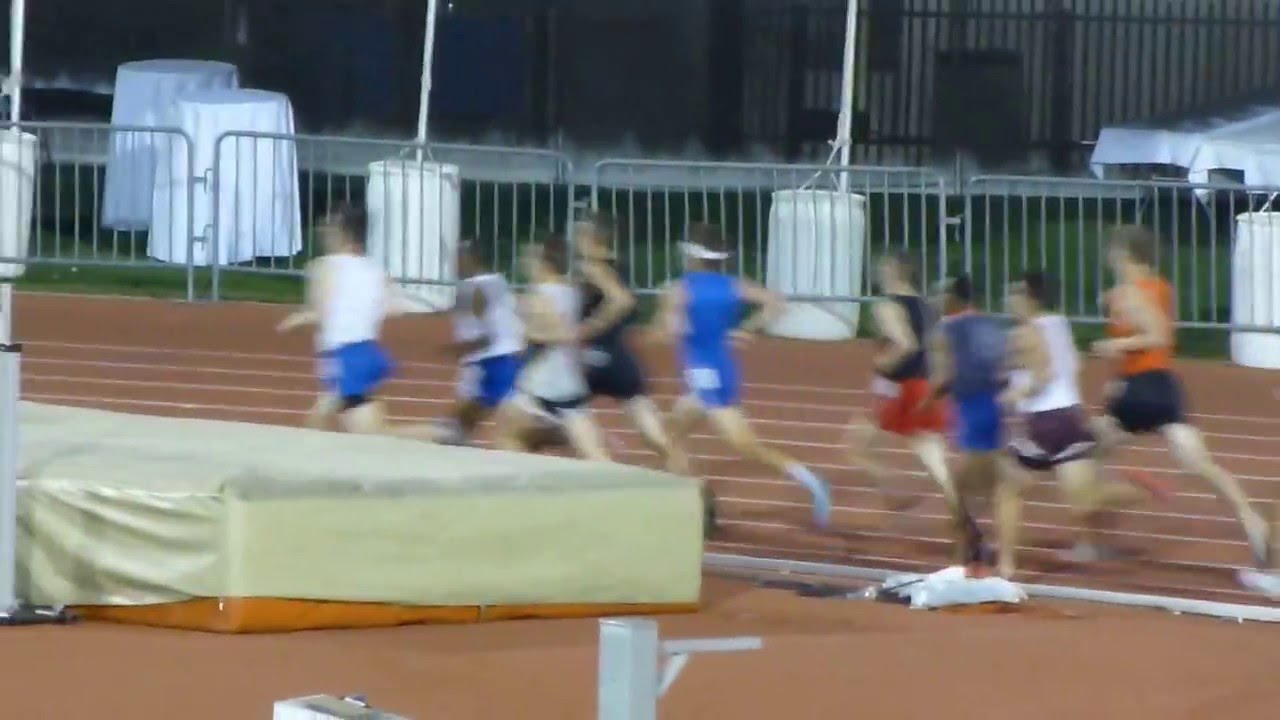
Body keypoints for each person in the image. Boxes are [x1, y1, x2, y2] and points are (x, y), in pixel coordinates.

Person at [1090, 225, 1277, 594]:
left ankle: (1096, 538)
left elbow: (1158, 335)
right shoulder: (1158, 287)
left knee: (1086, 456)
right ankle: (1251, 519)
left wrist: (1116, 346)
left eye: (1113, 252)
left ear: (1126, 255)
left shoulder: (1129, 293)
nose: (1109, 258)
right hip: (1161, 387)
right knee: (1197, 463)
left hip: (1141, 389)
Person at [654, 223, 833, 529]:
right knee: (671, 434)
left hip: (703, 375)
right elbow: (776, 302)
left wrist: (668, 324)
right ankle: (694, 505)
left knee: (741, 443)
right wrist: (747, 328)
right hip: (722, 369)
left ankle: (808, 481)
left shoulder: (679, 290)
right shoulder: (733, 286)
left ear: (691, 255)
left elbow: (665, 332)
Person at [1002, 271, 1169, 571]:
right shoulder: (1059, 323)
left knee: (1009, 492)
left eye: (1014, 293)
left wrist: (1015, 393)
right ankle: (1139, 490)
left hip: (1043, 422)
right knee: (1083, 502)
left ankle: (1005, 566)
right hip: (1069, 418)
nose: (1008, 299)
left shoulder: (1025, 332)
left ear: (1029, 298)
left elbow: (1042, 373)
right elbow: (1071, 362)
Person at [276, 202, 431, 434]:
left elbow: (321, 312)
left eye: (328, 227)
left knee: (317, 422)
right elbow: (394, 306)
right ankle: (441, 435)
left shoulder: (324, 266)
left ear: (342, 232)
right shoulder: (374, 268)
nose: (322, 232)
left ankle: (304, 466)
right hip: (367, 352)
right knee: (376, 435)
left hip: (345, 354)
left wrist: (295, 320)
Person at [575, 213, 690, 475]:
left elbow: (623, 301)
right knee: (651, 428)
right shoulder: (619, 264)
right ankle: (684, 477)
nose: (576, 242)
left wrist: (587, 329)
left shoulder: (592, 268)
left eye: (581, 236)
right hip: (621, 357)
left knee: (554, 408)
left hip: (594, 357)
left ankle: (602, 464)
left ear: (592, 238)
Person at [844, 252, 952, 514]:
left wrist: (881, 366)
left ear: (893, 271)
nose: (878, 274)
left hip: (901, 387)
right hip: (927, 386)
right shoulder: (929, 307)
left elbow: (905, 344)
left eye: (882, 269)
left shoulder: (886, 306)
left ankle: (895, 491)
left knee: (857, 446)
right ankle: (958, 510)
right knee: (931, 455)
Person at [492, 234, 611, 461]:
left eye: (530, 259)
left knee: (508, 438)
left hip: (540, 388)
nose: (525, 263)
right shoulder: (573, 292)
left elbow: (529, 343)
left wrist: (525, 334)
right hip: (571, 388)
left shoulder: (535, 298)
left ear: (544, 263)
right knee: (597, 458)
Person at [924, 274, 1014, 575]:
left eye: (939, 294)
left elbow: (944, 376)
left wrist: (926, 401)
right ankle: (985, 546)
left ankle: (966, 552)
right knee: (991, 483)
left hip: (969, 410)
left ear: (953, 298)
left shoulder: (944, 330)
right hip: (994, 407)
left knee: (959, 487)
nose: (935, 299)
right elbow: (1004, 370)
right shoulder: (990, 324)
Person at [435, 239, 526, 445]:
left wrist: (453, 350)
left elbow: (483, 336)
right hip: (511, 357)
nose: (453, 264)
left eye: (458, 258)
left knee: (452, 427)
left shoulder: (470, 289)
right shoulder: (499, 281)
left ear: (472, 260)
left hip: (488, 363)